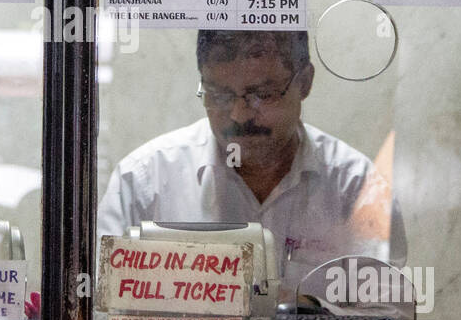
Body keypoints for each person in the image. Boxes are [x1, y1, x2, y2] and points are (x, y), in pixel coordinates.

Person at [97, 29, 406, 285]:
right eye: (219, 96)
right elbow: (103, 309)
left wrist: (306, 310)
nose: (239, 114)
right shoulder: (142, 182)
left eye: (262, 94)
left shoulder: (356, 186)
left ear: (305, 82)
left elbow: (388, 314)